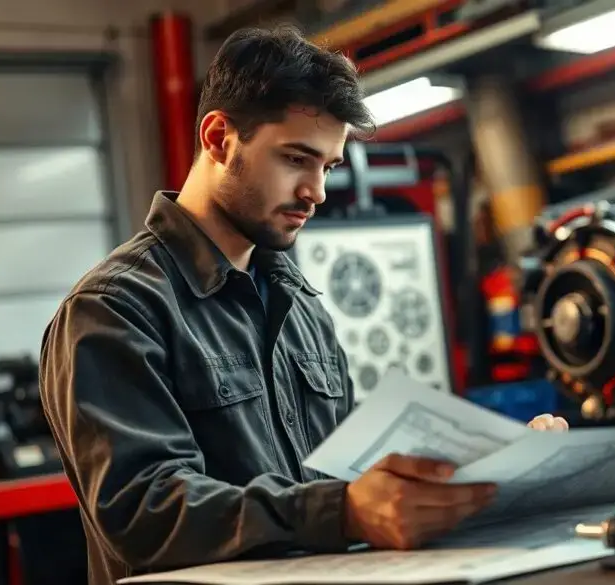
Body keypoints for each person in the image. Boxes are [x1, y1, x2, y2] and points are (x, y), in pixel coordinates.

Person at [38, 25, 569, 585]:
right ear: (219, 138)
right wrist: (341, 511)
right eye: (296, 158)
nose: (316, 190)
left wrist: (475, 470)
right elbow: (145, 512)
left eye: (328, 166)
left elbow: (351, 467)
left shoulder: (300, 306)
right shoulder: (115, 309)